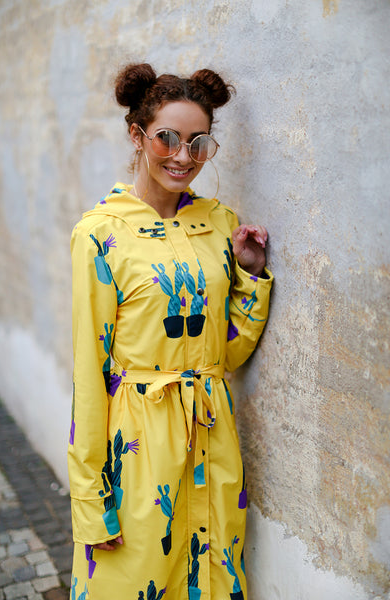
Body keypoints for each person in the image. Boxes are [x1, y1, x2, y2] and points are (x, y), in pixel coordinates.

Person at [68, 63, 273, 600]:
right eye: (167, 138)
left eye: (198, 143)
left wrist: (249, 278)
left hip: (212, 440)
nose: (183, 157)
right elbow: (89, 377)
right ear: (137, 136)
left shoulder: (218, 224)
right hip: (137, 452)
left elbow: (226, 355)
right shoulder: (100, 236)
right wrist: (91, 504)